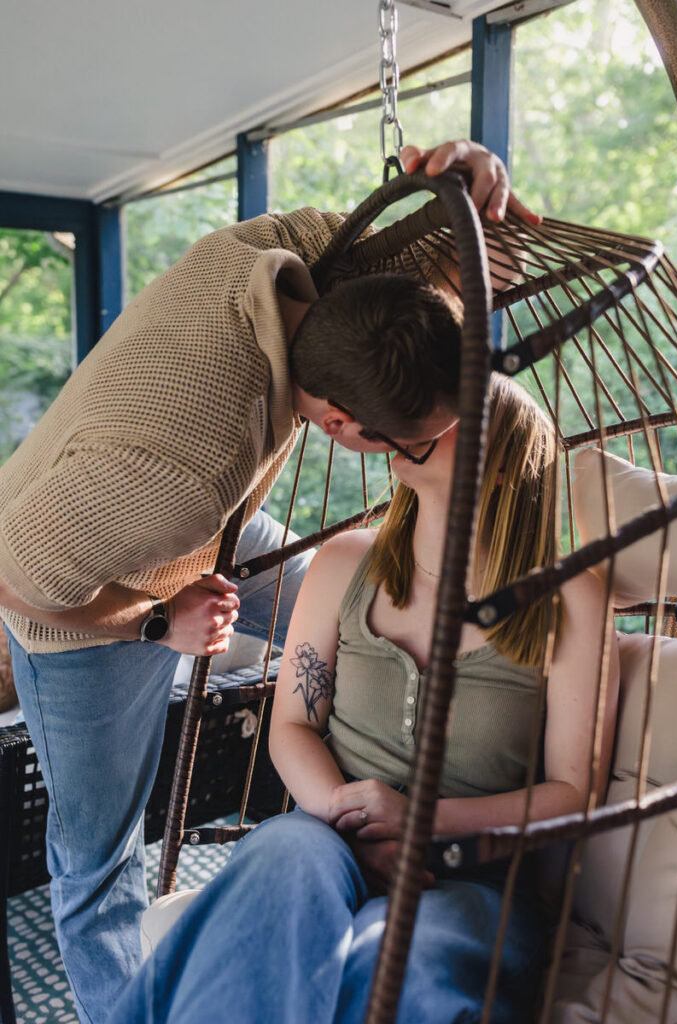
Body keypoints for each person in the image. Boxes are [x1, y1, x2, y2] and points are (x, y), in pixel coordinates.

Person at [0, 140, 539, 1022]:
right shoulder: (185, 468)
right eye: (406, 446)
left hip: (190, 523)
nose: (421, 460)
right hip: (68, 588)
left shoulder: (301, 260)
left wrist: (461, 192)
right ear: (334, 421)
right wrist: (154, 623)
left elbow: (410, 261)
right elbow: (14, 570)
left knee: (350, 616)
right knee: (98, 858)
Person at [109, 373, 620, 1024]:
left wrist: (416, 821)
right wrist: (348, 820)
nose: (416, 418)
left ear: (500, 465)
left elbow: (572, 792)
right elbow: (293, 723)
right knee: (281, 857)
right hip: (324, 834)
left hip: (470, 872)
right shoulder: (345, 563)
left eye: (447, 414)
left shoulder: (570, 596)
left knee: (400, 967)